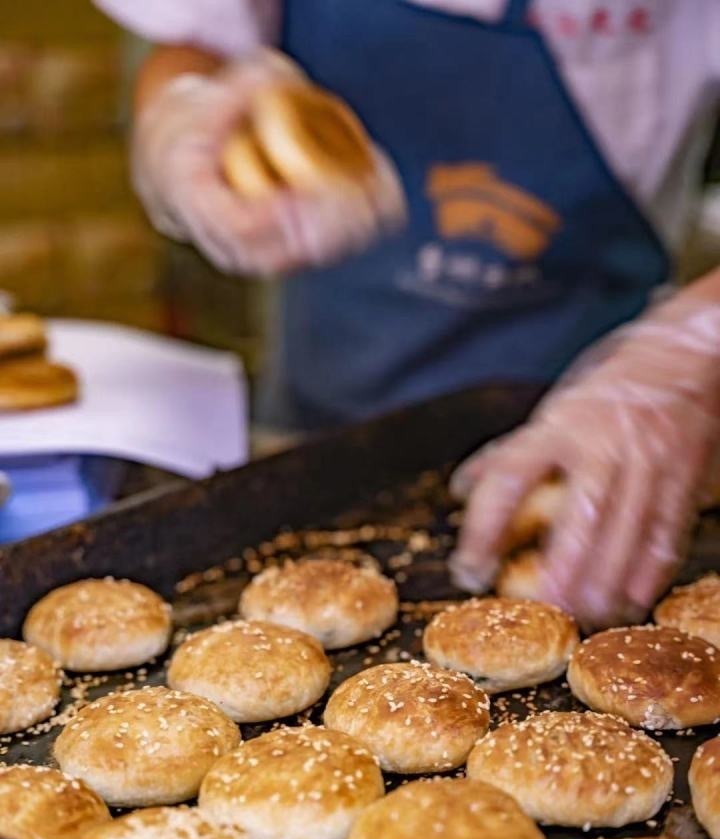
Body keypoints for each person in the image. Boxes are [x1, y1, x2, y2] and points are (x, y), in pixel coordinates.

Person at [96, 0, 720, 627]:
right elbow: (193, 37)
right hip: (320, 426)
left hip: (597, 433)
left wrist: (695, 349)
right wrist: (185, 105)